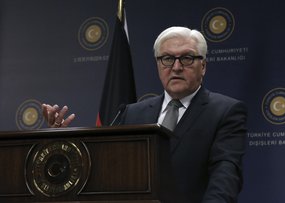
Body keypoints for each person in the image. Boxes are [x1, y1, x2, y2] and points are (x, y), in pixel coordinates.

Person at [42, 26, 247, 203]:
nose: (176, 67)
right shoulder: (132, 113)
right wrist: (61, 142)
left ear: (203, 66)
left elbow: (225, 176)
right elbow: (103, 168)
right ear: (158, 65)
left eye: (186, 58)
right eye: (167, 58)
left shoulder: (225, 111)